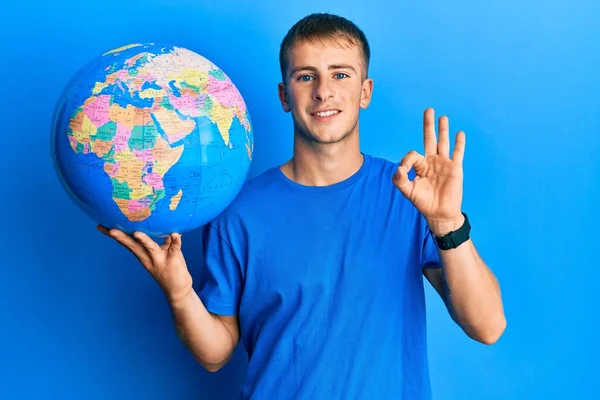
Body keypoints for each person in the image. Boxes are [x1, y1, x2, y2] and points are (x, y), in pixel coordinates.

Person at [98, 12, 506, 399]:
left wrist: (447, 221)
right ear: (284, 96)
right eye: (306, 75)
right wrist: (180, 292)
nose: (323, 91)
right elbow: (215, 353)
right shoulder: (238, 213)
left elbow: (487, 326)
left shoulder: (408, 195)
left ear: (364, 92)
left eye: (340, 74)